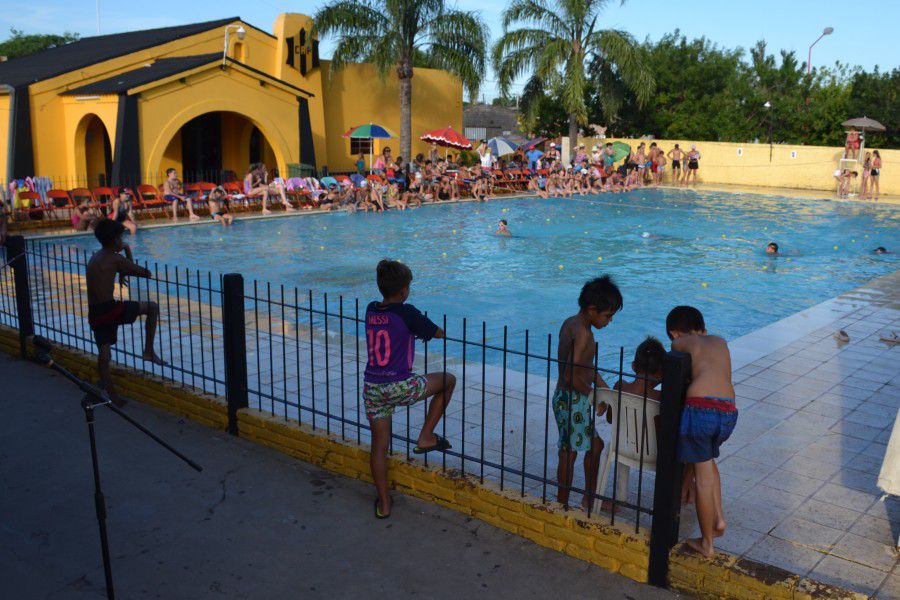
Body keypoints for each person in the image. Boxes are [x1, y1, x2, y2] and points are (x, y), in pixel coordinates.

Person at [364, 260, 456, 519]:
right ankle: (426, 436)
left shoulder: (371, 310)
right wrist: (417, 328)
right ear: (404, 290)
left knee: (378, 447)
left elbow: (390, 329)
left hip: (372, 387)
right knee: (448, 380)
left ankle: (384, 504)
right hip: (399, 386)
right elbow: (439, 333)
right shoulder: (408, 313)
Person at [665, 306, 737, 559]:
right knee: (709, 462)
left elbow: (676, 356)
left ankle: (707, 543)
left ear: (674, 333)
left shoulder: (681, 343)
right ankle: (718, 520)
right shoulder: (719, 341)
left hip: (700, 411)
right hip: (727, 412)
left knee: (702, 478)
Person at [554, 275, 622, 512]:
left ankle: (587, 498)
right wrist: (595, 398)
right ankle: (571, 501)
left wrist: (602, 385)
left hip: (564, 398)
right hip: (573, 399)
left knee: (585, 447)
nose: (610, 320)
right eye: (608, 315)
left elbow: (584, 367)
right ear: (592, 310)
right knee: (573, 451)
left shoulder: (570, 323)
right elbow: (572, 376)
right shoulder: (584, 334)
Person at [86, 219, 164, 406]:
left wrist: (122, 268)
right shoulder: (115, 258)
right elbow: (145, 273)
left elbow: (123, 269)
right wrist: (128, 251)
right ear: (114, 240)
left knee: (104, 357)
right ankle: (148, 351)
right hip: (111, 310)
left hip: (96, 314)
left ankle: (112, 395)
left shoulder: (95, 257)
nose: (122, 240)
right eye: (121, 238)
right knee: (152, 307)